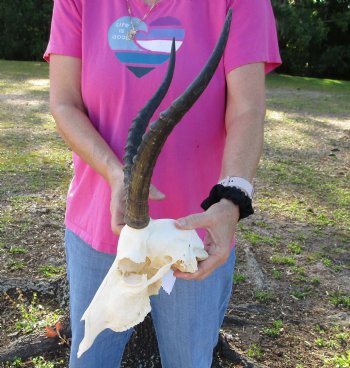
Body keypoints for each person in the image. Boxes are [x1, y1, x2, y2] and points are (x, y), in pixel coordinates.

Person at [44, 0, 281, 367]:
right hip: (103, 225)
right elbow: (63, 103)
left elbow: (247, 109)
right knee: (91, 359)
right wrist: (116, 173)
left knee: (188, 360)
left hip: (193, 233)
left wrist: (232, 197)